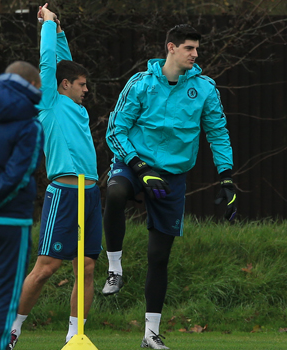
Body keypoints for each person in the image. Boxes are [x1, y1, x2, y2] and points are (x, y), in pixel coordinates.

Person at [102, 23, 236, 349]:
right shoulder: (141, 84)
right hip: (133, 164)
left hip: (172, 176)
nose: (196, 54)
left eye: (197, 48)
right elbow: (115, 131)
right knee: (115, 192)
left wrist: (227, 177)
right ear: (171, 48)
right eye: (189, 48)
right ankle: (115, 268)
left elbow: (217, 133)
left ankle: (150, 334)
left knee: (159, 256)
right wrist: (139, 167)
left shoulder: (205, 89)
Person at [7, 4, 102, 349]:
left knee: (87, 267)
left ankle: (75, 337)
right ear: (64, 86)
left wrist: (60, 31)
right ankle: (11, 329)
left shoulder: (75, 106)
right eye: (81, 84)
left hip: (90, 195)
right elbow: (49, 64)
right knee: (46, 267)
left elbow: (63, 62)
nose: (86, 89)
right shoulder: (49, 102)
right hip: (63, 193)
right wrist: (46, 26)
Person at [0, 61, 43, 350]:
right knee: (4, 294)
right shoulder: (30, 123)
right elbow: (19, 176)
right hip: (10, 220)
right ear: (34, 87)